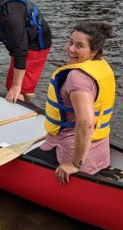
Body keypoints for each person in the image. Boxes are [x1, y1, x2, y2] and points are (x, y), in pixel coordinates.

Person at [29, 21, 115, 186]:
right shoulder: (101, 66)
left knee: (20, 166)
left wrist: (74, 164)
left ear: (93, 51)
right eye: (70, 42)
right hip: (99, 153)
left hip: (70, 154)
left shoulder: (77, 78)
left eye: (79, 46)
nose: (71, 49)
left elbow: (87, 123)